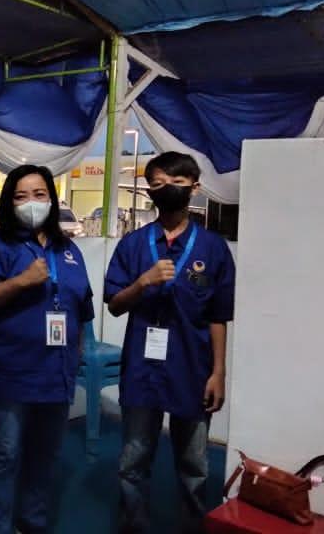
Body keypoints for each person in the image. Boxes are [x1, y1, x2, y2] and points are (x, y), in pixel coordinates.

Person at [104, 152, 235, 534]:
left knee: (194, 464)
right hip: (142, 369)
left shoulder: (212, 248)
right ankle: (133, 526)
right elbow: (114, 305)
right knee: (133, 459)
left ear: (195, 188)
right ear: (149, 190)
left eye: (177, 183)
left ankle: (192, 526)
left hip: (192, 369)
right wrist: (142, 282)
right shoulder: (133, 245)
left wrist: (219, 373)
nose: (168, 190)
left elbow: (218, 316)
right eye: (159, 183)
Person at [0, 165, 94, 534]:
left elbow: (82, 307)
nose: (31, 202)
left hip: (56, 374)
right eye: (21, 196)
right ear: (9, 203)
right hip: (8, 373)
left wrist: (77, 354)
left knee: (44, 456)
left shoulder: (69, 250)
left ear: (51, 199)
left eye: (39, 194)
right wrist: (21, 281)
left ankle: (32, 523)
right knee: (3, 456)